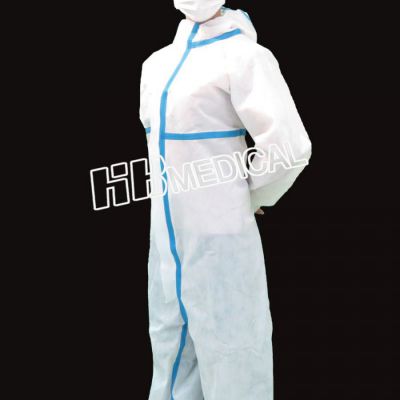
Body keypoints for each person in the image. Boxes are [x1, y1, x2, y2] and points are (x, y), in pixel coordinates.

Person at [139, 1, 312, 399]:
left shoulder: (245, 57)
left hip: (221, 246)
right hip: (166, 244)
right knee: (170, 355)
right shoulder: (155, 65)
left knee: (235, 361)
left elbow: (289, 147)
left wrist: (248, 195)